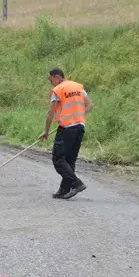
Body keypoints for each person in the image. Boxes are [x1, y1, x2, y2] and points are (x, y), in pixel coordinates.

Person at [39, 68, 94, 199]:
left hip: (67, 128)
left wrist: (46, 131)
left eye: (51, 80)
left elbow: (50, 113)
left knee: (58, 159)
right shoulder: (77, 86)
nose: (51, 83)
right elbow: (90, 105)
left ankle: (76, 184)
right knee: (69, 160)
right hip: (80, 127)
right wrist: (78, 115)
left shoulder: (58, 90)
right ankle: (64, 189)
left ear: (56, 77)